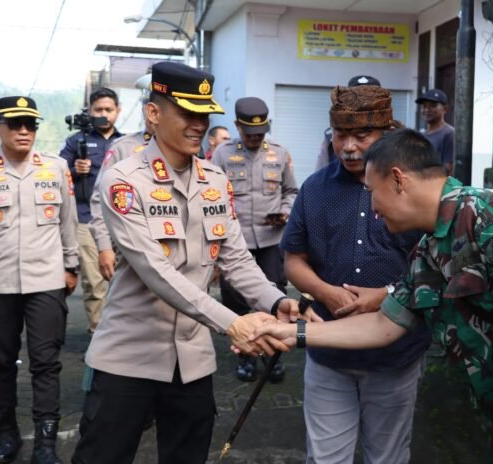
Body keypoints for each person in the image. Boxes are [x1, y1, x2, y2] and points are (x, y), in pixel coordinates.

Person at [253, 129, 493, 464]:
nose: (373, 209)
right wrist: (294, 333)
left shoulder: (489, 215)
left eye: (372, 193)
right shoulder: (430, 250)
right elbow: (385, 324)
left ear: (398, 180)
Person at [71, 62, 314, 464]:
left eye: (204, 115)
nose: (199, 124)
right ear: (153, 113)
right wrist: (232, 323)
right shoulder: (123, 180)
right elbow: (155, 271)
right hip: (128, 357)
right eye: (187, 113)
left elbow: (236, 257)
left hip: (192, 362)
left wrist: (275, 301)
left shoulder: (215, 179)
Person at [279, 84, 432, 463]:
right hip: (328, 354)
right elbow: (293, 260)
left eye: (362, 135)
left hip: (396, 355)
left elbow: (435, 268)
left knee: (388, 457)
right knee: (326, 458)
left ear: (387, 133)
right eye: (340, 135)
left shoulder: (411, 190)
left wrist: (387, 296)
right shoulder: (314, 189)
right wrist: (324, 291)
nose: (348, 147)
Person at [0, 96, 79, 464]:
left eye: (30, 124)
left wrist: (71, 265)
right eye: (16, 124)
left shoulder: (55, 167)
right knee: (1, 360)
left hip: (46, 279)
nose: (24, 131)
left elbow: (68, 221)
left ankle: (45, 443)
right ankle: (6, 434)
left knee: (46, 362)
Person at [211, 96, 298, 382]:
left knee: (274, 297)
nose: (254, 138)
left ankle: (272, 356)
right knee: (236, 301)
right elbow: (211, 195)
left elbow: (291, 191)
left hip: (271, 241)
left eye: (260, 133)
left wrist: (285, 212)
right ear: (237, 126)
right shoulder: (222, 154)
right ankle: (246, 357)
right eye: (249, 133)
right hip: (235, 244)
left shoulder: (279, 153)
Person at [60, 87, 122, 334]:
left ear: (118, 111)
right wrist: (75, 170)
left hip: (121, 220)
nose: (104, 114)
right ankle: (99, 334)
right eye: (98, 109)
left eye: (109, 109)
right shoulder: (76, 141)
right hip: (86, 219)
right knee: (95, 283)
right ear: (89, 111)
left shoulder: (126, 143)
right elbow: (57, 177)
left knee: (123, 281)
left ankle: (123, 335)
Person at [90, 75, 155, 282]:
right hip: (132, 252)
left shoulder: (189, 151)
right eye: (150, 108)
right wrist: (104, 246)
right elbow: (100, 200)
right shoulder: (123, 148)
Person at [314, 75, 381, 172]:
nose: (349, 147)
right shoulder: (330, 139)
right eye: (355, 98)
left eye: (361, 136)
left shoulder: (395, 139)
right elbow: (320, 171)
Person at [416, 88, 455, 175]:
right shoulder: (421, 135)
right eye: (424, 106)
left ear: (445, 109)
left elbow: (448, 169)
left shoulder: (449, 133)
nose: (427, 110)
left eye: (433, 106)